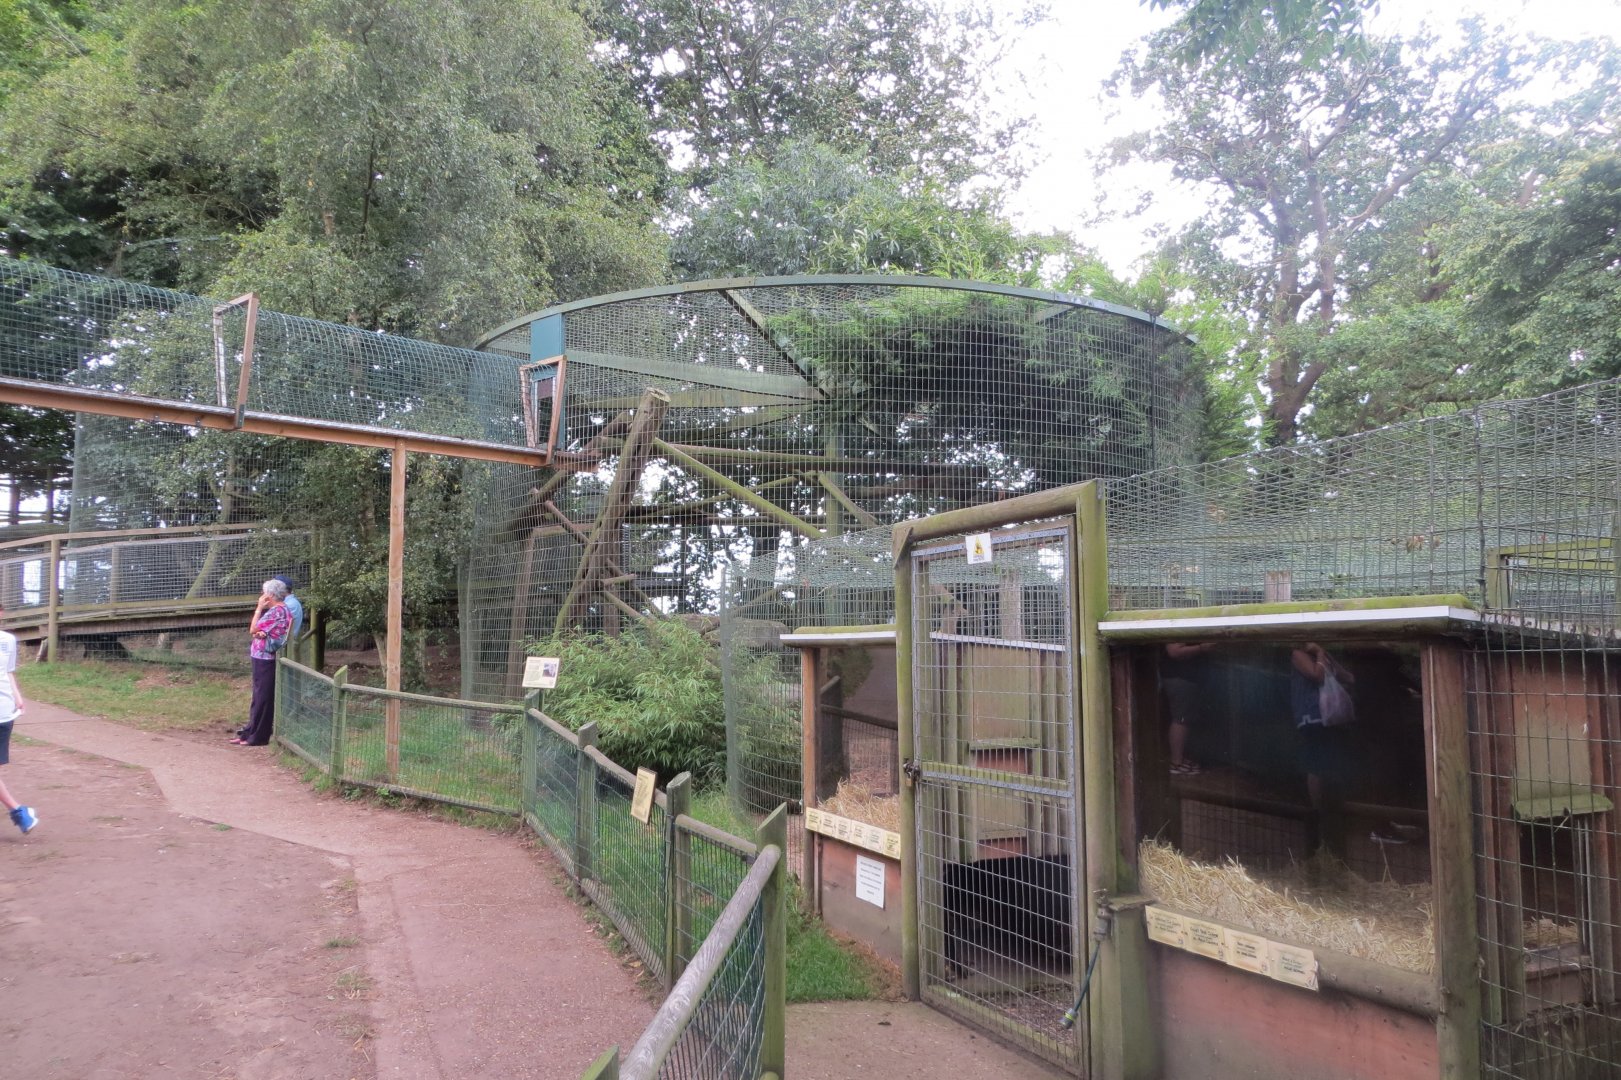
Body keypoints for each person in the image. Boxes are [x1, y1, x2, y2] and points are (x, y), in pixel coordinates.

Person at [1291, 642, 1355, 858]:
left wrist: (1327, 656)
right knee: (1316, 763)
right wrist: (1318, 654)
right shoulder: (1298, 654)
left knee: (1329, 760)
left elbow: (1348, 677)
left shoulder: (1322, 655)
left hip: (1329, 717)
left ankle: (1331, 805)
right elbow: (1316, 675)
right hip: (1312, 717)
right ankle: (1317, 809)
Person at [235, 578, 292, 747]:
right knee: (258, 696)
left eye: (264, 593)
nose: (262, 596)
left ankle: (258, 736)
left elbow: (253, 629)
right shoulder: (279, 611)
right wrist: (260, 632)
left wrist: (259, 608)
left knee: (263, 697)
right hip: (261, 657)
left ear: (270, 595)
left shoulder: (277, 611)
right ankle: (249, 732)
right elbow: (258, 632)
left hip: (266, 658)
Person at [0, 607, 37, 834]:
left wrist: (17, 695)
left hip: (3, 713)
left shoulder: (8, 641)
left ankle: (19, 812)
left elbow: (8, 671)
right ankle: (19, 813)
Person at [1164, 641, 1218, 775]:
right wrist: (1202, 647)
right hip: (1180, 677)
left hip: (1187, 677)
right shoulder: (1178, 627)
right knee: (1181, 719)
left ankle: (1179, 758)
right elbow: (1174, 651)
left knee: (1184, 718)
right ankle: (1176, 763)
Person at [271, 575, 303, 658]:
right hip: (285, 647)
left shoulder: (289, 605)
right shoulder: (290, 603)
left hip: (285, 649)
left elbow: (271, 626)